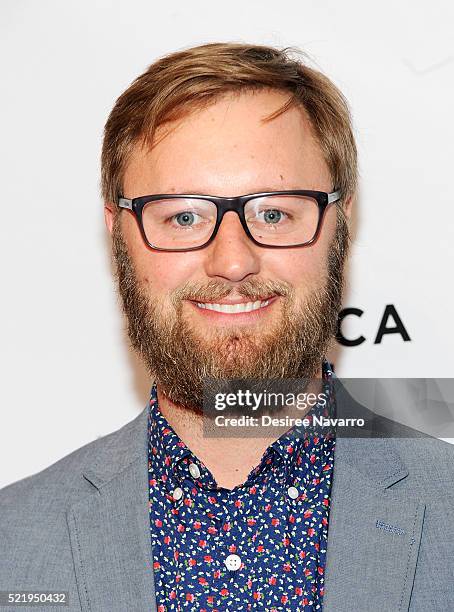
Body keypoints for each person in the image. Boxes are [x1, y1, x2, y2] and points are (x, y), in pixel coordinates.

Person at [0, 42, 453, 612]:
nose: (233, 261)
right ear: (117, 232)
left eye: (274, 212)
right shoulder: (11, 547)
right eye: (184, 216)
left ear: (340, 222)